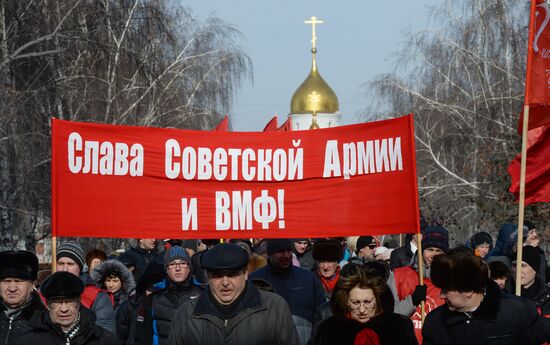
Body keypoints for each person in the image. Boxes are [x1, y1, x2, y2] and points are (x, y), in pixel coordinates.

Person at [168, 243, 299, 345]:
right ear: (208, 277)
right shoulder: (185, 315)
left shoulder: (275, 308)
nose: (225, 282)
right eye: (218, 276)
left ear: (246, 273)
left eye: (232, 275)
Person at [423, 249, 550, 345]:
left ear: (468, 290)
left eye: (446, 289)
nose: (441, 295)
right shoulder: (435, 323)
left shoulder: (517, 312)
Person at [249, 238, 326, 345]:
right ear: (270, 254)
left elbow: (321, 312)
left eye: (289, 251)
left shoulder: (307, 278)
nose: (286, 255)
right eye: (280, 252)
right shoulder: (255, 280)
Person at [314, 267, 417, 345]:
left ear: (378, 300)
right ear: (346, 302)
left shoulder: (398, 327)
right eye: (355, 303)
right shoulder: (330, 330)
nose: (362, 310)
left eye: (368, 302)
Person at [14, 271, 120, 345]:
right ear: (47, 304)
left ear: (78, 302)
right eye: (58, 302)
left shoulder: (104, 340)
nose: (64, 309)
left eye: (69, 302)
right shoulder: (28, 341)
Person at [387, 226, 448, 343]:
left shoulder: (450, 279)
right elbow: (389, 316)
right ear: (421, 249)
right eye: (429, 249)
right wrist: (411, 301)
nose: (433, 255)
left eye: (439, 251)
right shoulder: (398, 276)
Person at [136, 246, 202, 345]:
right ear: (166, 269)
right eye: (172, 264)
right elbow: (142, 336)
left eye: (183, 263)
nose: (178, 268)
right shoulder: (153, 297)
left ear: (189, 268)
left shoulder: (203, 294)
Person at [56, 240, 116, 333]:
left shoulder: (98, 298)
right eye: (61, 264)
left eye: (70, 264)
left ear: (79, 267)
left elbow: (106, 336)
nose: (65, 269)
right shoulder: (44, 294)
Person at [0, 250, 46, 344]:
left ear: (32, 285)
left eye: (18, 281)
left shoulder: (45, 323)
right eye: (7, 281)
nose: (12, 288)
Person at [512, 245, 550, 317]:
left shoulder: (547, 298)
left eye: (523, 265)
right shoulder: (504, 294)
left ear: (534, 269)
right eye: (514, 265)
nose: (517, 270)